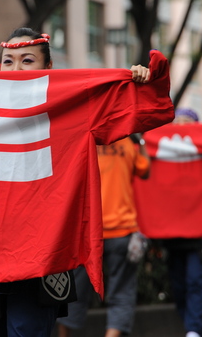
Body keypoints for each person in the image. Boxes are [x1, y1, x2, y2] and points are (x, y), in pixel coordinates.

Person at [0, 28, 151, 337]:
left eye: (27, 60)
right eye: (8, 61)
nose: (16, 69)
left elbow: (139, 112)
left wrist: (138, 83)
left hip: (42, 249)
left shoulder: (70, 112)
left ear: (47, 69)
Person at [56, 134, 150, 337]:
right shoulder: (127, 144)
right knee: (121, 291)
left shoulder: (85, 140)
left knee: (72, 292)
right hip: (122, 231)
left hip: (86, 233)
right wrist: (140, 141)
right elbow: (145, 169)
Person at [159, 108, 202, 337]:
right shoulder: (162, 159)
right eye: (177, 122)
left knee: (195, 282)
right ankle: (195, 329)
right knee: (179, 287)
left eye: (187, 122)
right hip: (173, 235)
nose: (180, 127)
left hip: (200, 235)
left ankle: (192, 330)